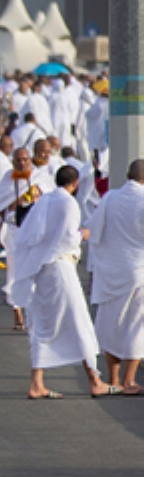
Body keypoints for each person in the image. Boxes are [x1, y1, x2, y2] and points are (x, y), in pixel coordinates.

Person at [15, 165, 111, 399]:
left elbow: (31, 235)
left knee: (43, 324)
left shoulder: (45, 201)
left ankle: (37, 383)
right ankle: (95, 381)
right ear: (76, 183)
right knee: (79, 321)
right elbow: (68, 237)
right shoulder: (68, 203)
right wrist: (83, 235)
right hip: (59, 267)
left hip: (43, 269)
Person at [91, 160, 144, 393]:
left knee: (111, 324)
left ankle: (112, 379)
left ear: (126, 175)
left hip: (110, 270)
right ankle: (128, 381)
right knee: (136, 325)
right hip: (138, 269)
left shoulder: (109, 198)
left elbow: (93, 230)